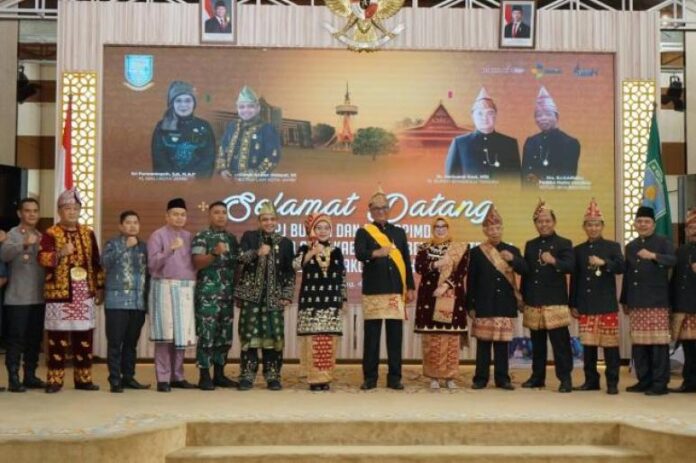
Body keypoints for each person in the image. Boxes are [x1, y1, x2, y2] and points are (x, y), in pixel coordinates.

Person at [38, 189, 104, 393]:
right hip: (59, 293)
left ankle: (83, 379)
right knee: (57, 338)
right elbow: (42, 258)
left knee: (84, 337)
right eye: (68, 208)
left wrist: (99, 286)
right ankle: (55, 380)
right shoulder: (50, 233)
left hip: (83, 293)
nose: (72, 212)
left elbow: (96, 261)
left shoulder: (88, 233)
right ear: (60, 211)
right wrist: (60, 253)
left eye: (76, 208)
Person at [354, 187, 416, 390]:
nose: (381, 211)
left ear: (389, 210)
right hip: (373, 290)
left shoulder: (399, 233)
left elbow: (406, 261)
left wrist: (410, 286)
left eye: (384, 208)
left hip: (395, 290)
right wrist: (377, 253)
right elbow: (359, 254)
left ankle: (394, 377)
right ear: (370, 210)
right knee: (372, 337)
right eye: (377, 208)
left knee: (395, 337)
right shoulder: (363, 232)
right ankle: (370, 378)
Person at [235, 200, 295, 391]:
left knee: (273, 337)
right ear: (259, 221)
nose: (269, 223)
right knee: (249, 337)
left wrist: (287, 294)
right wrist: (257, 252)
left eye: (272, 219)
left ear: (277, 221)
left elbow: (289, 272)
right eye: (265, 219)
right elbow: (240, 258)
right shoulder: (250, 237)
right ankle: (247, 375)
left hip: (274, 298)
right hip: (251, 297)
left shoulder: (285, 243)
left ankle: (272, 376)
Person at [467, 205, 526, 391]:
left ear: (502, 229)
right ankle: (480, 378)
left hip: (504, 303)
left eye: (497, 228)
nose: (494, 231)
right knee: (483, 344)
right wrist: (470, 305)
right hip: (484, 303)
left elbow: (525, 270)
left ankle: (503, 379)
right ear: (485, 230)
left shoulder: (512, 249)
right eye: (490, 228)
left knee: (502, 344)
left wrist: (513, 259)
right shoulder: (476, 252)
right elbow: (471, 280)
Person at [569, 199, 624, 395]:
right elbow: (575, 279)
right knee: (589, 346)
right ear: (584, 227)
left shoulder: (612, 246)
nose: (593, 228)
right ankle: (591, 380)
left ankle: (612, 382)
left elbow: (621, 267)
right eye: (589, 225)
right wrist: (573, 303)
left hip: (606, 304)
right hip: (586, 304)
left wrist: (604, 262)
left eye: (596, 225)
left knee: (610, 347)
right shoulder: (578, 250)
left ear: (602, 226)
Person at [620, 206, 676, 395]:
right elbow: (628, 275)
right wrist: (625, 299)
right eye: (639, 221)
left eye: (646, 221)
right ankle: (644, 380)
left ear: (653, 224)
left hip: (657, 302)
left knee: (658, 345)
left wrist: (653, 256)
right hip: (636, 301)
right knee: (639, 345)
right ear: (635, 224)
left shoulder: (663, 242)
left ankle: (660, 383)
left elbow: (672, 261)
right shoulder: (631, 246)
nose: (642, 224)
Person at [520, 199, 575, 393]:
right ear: (535, 224)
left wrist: (554, 261)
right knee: (537, 344)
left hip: (555, 301)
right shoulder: (531, 245)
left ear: (554, 222)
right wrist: (523, 297)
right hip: (534, 300)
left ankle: (565, 379)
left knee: (561, 345)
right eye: (540, 221)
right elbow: (527, 273)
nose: (543, 224)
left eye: (547, 221)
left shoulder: (564, 243)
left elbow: (571, 267)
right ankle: (537, 377)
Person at [148, 198, 197, 392]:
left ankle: (178, 376)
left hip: (184, 288)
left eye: (182, 215)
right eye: (175, 214)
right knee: (165, 336)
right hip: (164, 287)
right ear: (167, 216)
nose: (179, 218)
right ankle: (163, 378)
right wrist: (170, 249)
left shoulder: (189, 236)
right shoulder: (157, 235)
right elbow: (152, 264)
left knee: (181, 336)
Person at [414, 217, 468, 390]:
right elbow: (419, 268)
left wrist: (445, 286)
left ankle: (450, 377)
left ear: (448, 228)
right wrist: (438, 263)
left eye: (443, 226)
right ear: (432, 229)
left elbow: (462, 271)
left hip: (452, 296)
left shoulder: (460, 248)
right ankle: (434, 377)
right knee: (433, 338)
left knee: (451, 338)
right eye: (436, 226)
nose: (440, 229)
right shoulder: (424, 248)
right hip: (430, 297)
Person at [294, 213, 346, 391]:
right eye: (318, 228)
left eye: (326, 228)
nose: (323, 231)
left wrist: (344, 299)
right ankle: (314, 379)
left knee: (328, 341)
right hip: (311, 303)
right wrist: (311, 253)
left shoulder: (336, 251)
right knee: (313, 341)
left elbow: (342, 277)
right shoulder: (304, 248)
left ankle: (325, 377)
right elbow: (295, 265)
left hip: (331, 302)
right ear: (312, 230)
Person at [191, 201, 239, 391]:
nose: (221, 216)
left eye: (224, 212)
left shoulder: (232, 239)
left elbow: (236, 267)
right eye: (216, 212)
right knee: (207, 335)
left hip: (227, 295)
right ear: (209, 215)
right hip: (207, 296)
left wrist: (237, 290)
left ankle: (219, 374)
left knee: (224, 336)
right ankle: (204, 375)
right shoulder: (202, 236)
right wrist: (214, 253)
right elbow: (197, 262)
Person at [102, 210, 150, 393]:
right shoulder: (112, 244)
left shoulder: (144, 246)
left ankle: (128, 377)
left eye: (135, 223)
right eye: (128, 223)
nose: (132, 226)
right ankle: (115, 380)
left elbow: (149, 272)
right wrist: (124, 247)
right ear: (120, 226)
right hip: (116, 302)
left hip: (138, 303)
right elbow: (104, 263)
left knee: (131, 343)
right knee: (115, 343)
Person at [1, 199, 45, 392]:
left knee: (34, 339)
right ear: (20, 214)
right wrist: (24, 244)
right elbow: (4, 255)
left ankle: (30, 376)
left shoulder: (42, 236)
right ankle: (13, 378)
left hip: (38, 297)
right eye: (27, 211)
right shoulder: (12, 234)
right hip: (17, 298)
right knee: (16, 339)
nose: (32, 214)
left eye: (35, 211)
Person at [444, 87, 520, 181]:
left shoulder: (509, 144)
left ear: (495, 115)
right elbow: (450, 181)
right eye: (480, 113)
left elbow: (516, 180)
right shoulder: (460, 143)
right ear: (473, 116)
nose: (485, 118)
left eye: (489, 113)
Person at [151, 80, 216, 178]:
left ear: (194, 103)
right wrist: (175, 179)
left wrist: (194, 179)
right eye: (178, 100)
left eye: (188, 100)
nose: (183, 105)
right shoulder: (162, 127)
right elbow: (159, 161)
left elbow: (208, 160)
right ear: (172, 103)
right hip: (169, 183)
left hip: (197, 183)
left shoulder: (204, 126)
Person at [216, 85, 282, 177]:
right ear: (237, 109)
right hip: (229, 178)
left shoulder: (267, 129)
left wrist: (253, 175)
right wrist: (223, 169)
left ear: (258, 108)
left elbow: (273, 156)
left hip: (255, 181)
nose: (246, 110)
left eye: (250, 106)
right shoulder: (232, 126)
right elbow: (222, 148)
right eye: (241, 107)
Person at [522, 87, 581, 185]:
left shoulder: (570, 143)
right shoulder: (531, 141)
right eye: (538, 115)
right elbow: (525, 176)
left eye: (547, 114)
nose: (542, 118)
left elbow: (567, 177)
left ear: (556, 117)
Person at [670, 207, 696, 393]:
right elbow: (675, 280)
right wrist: (672, 303)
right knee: (688, 348)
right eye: (691, 228)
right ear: (686, 231)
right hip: (684, 307)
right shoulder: (680, 251)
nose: (694, 231)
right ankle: (689, 382)